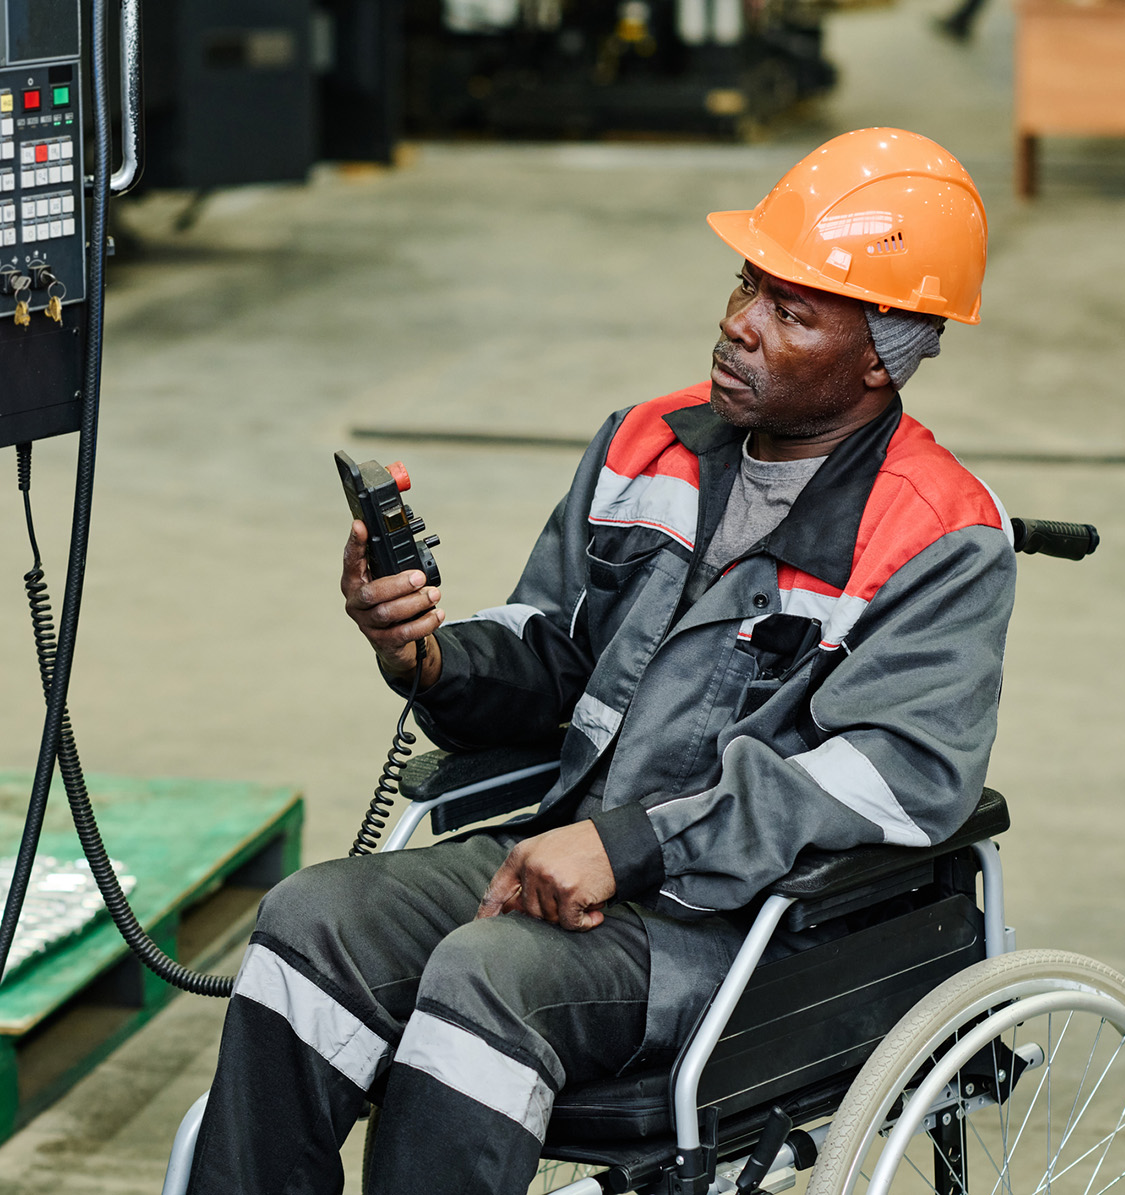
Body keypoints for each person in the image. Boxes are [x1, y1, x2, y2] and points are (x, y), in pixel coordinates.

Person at [185, 128, 1013, 1195]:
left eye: (789, 312)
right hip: (567, 856)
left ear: (881, 354)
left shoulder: (940, 535)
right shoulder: (644, 443)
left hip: (748, 928)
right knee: (313, 918)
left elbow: (897, 779)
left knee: (491, 976)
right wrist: (427, 654)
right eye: (745, 284)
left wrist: (628, 847)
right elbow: (554, 649)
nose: (737, 325)